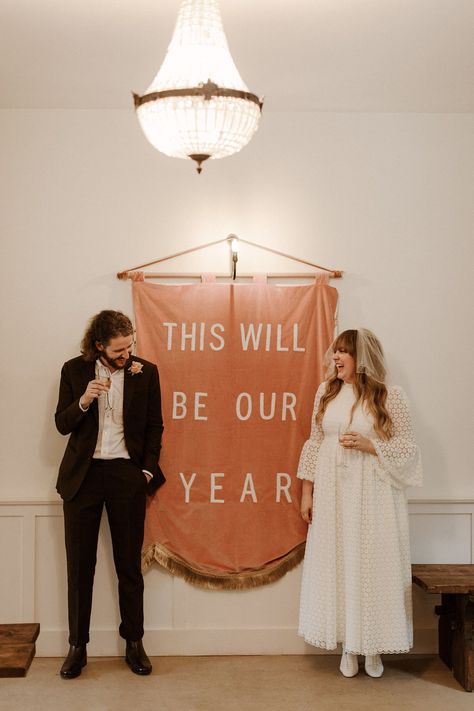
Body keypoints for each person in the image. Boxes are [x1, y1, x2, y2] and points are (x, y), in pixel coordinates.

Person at [297, 328, 422, 678]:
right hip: (334, 491)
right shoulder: (326, 392)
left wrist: (371, 446)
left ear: (361, 358)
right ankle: (349, 647)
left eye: (343, 353)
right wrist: (307, 492)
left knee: (370, 565)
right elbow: (315, 441)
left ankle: (373, 648)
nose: (335, 358)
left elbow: (409, 448)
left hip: (373, 494)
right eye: (335, 352)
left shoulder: (390, 396)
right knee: (340, 563)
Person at [55, 310, 165, 679]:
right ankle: (77, 647)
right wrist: (84, 399)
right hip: (83, 478)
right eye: (119, 350)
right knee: (79, 567)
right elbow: (62, 424)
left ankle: (135, 642)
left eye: (130, 347)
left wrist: (145, 472)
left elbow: (155, 426)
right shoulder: (73, 371)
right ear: (99, 345)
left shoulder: (145, 372)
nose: (127, 355)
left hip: (126, 476)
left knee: (129, 567)